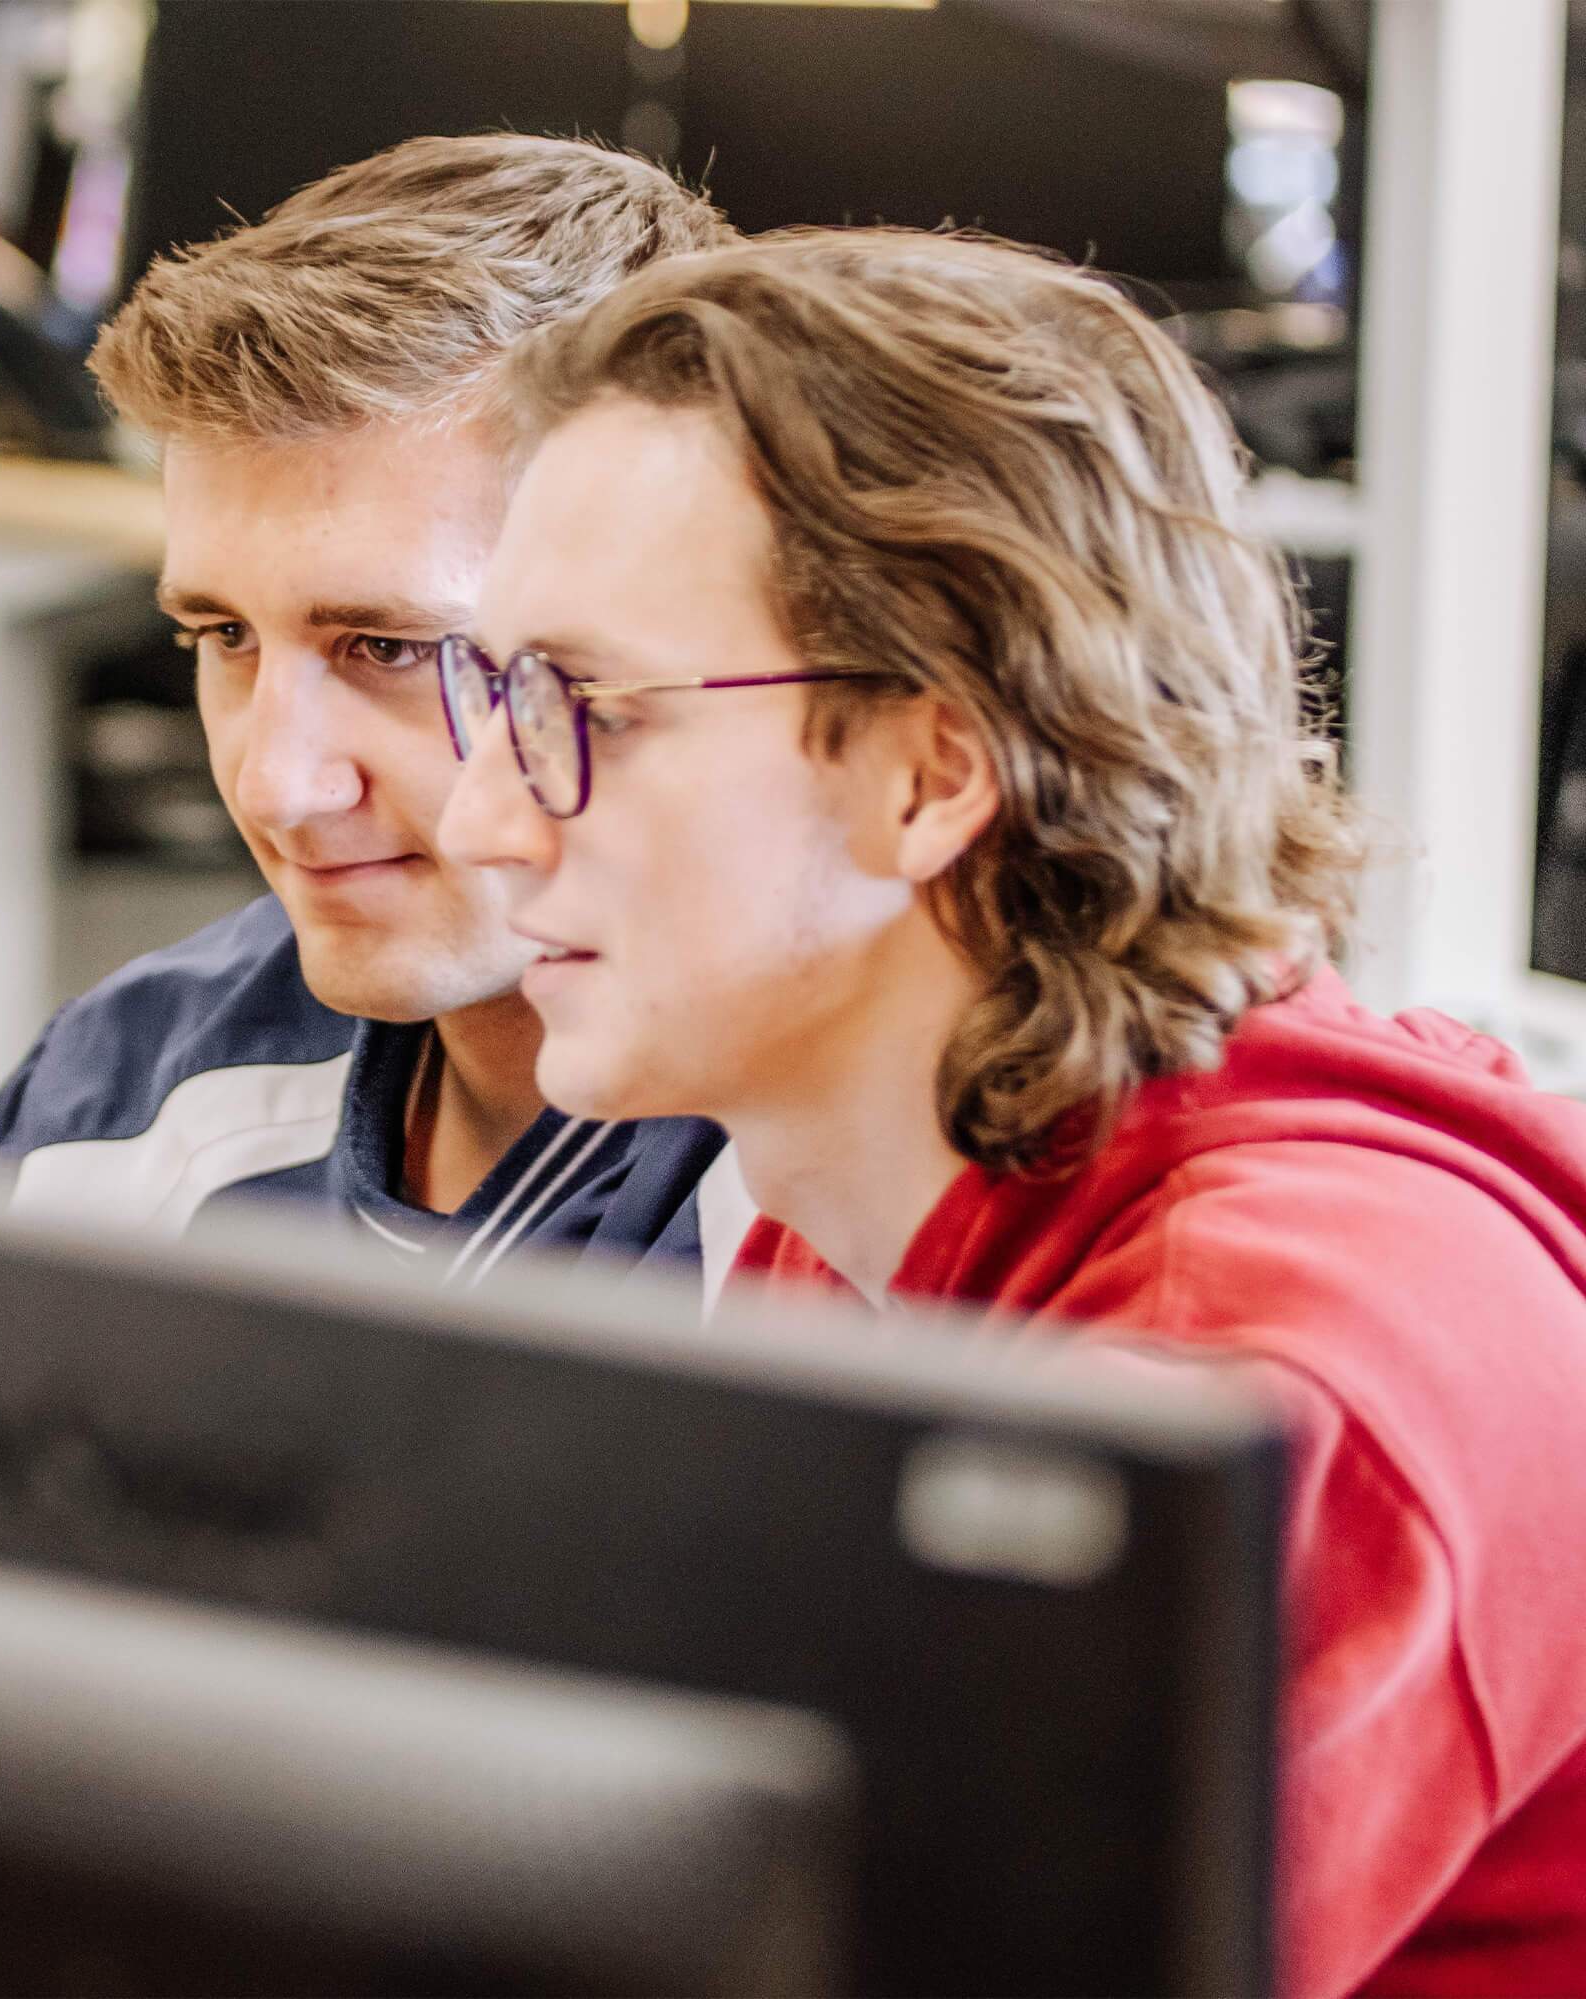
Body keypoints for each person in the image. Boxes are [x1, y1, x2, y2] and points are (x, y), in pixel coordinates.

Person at [437, 227, 1586, 1996]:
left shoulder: (1257, 1384)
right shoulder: (881, 1194)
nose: (482, 820)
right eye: (496, 691)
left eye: (585, 707)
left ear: (935, 770)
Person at [0, 136, 747, 1290]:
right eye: (222, 635)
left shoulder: (863, 1189)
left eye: (387, 647)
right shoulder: (113, 1101)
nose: (274, 786)